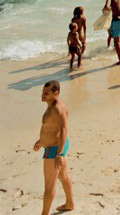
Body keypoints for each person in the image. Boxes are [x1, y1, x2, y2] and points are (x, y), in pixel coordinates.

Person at [34, 81, 74, 215]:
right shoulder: (54, 105)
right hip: (57, 145)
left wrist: (59, 155)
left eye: (46, 93)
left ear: (55, 93)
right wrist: (42, 140)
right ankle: (69, 203)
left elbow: (64, 130)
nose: (43, 95)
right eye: (43, 92)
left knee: (49, 186)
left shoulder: (57, 109)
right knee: (63, 176)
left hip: (54, 150)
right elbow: (54, 128)